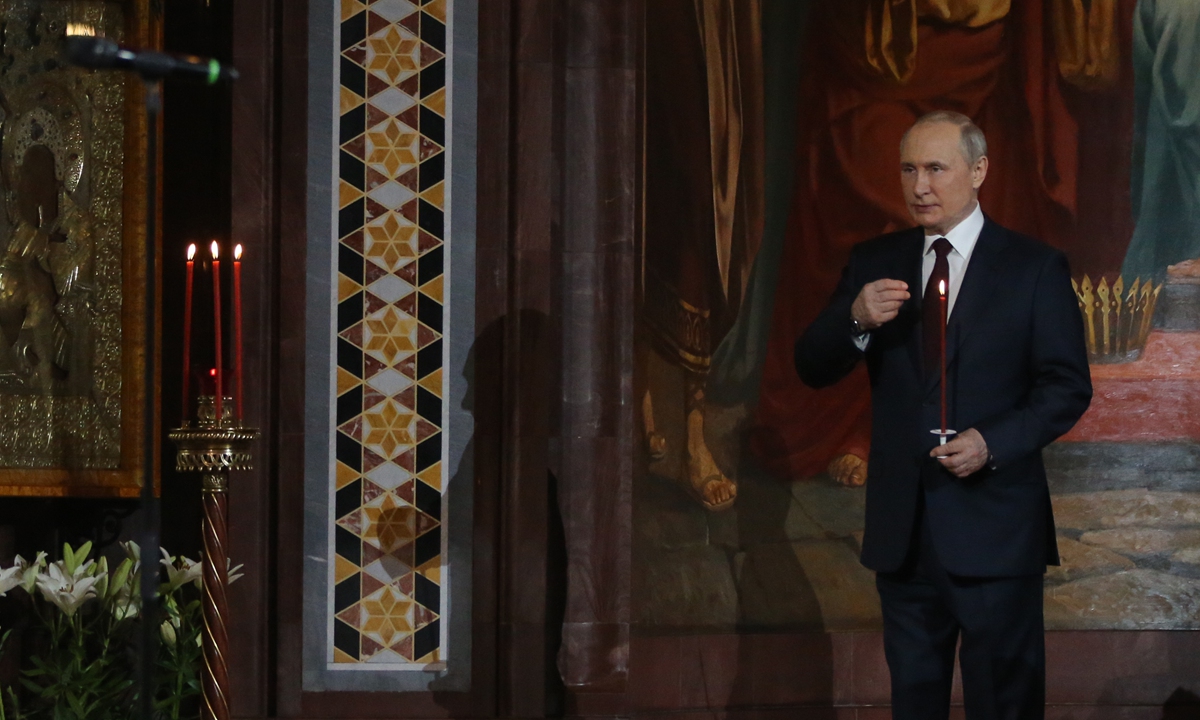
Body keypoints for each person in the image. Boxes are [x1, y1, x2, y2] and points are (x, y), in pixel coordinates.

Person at [794, 112, 1092, 719]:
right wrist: (854, 319)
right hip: (904, 537)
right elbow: (812, 366)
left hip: (995, 531)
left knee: (1003, 704)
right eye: (909, 169)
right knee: (915, 705)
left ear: (978, 171)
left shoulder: (1033, 267)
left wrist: (993, 441)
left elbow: (1066, 387)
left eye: (935, 168)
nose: (919, 185)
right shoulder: (874, 262)